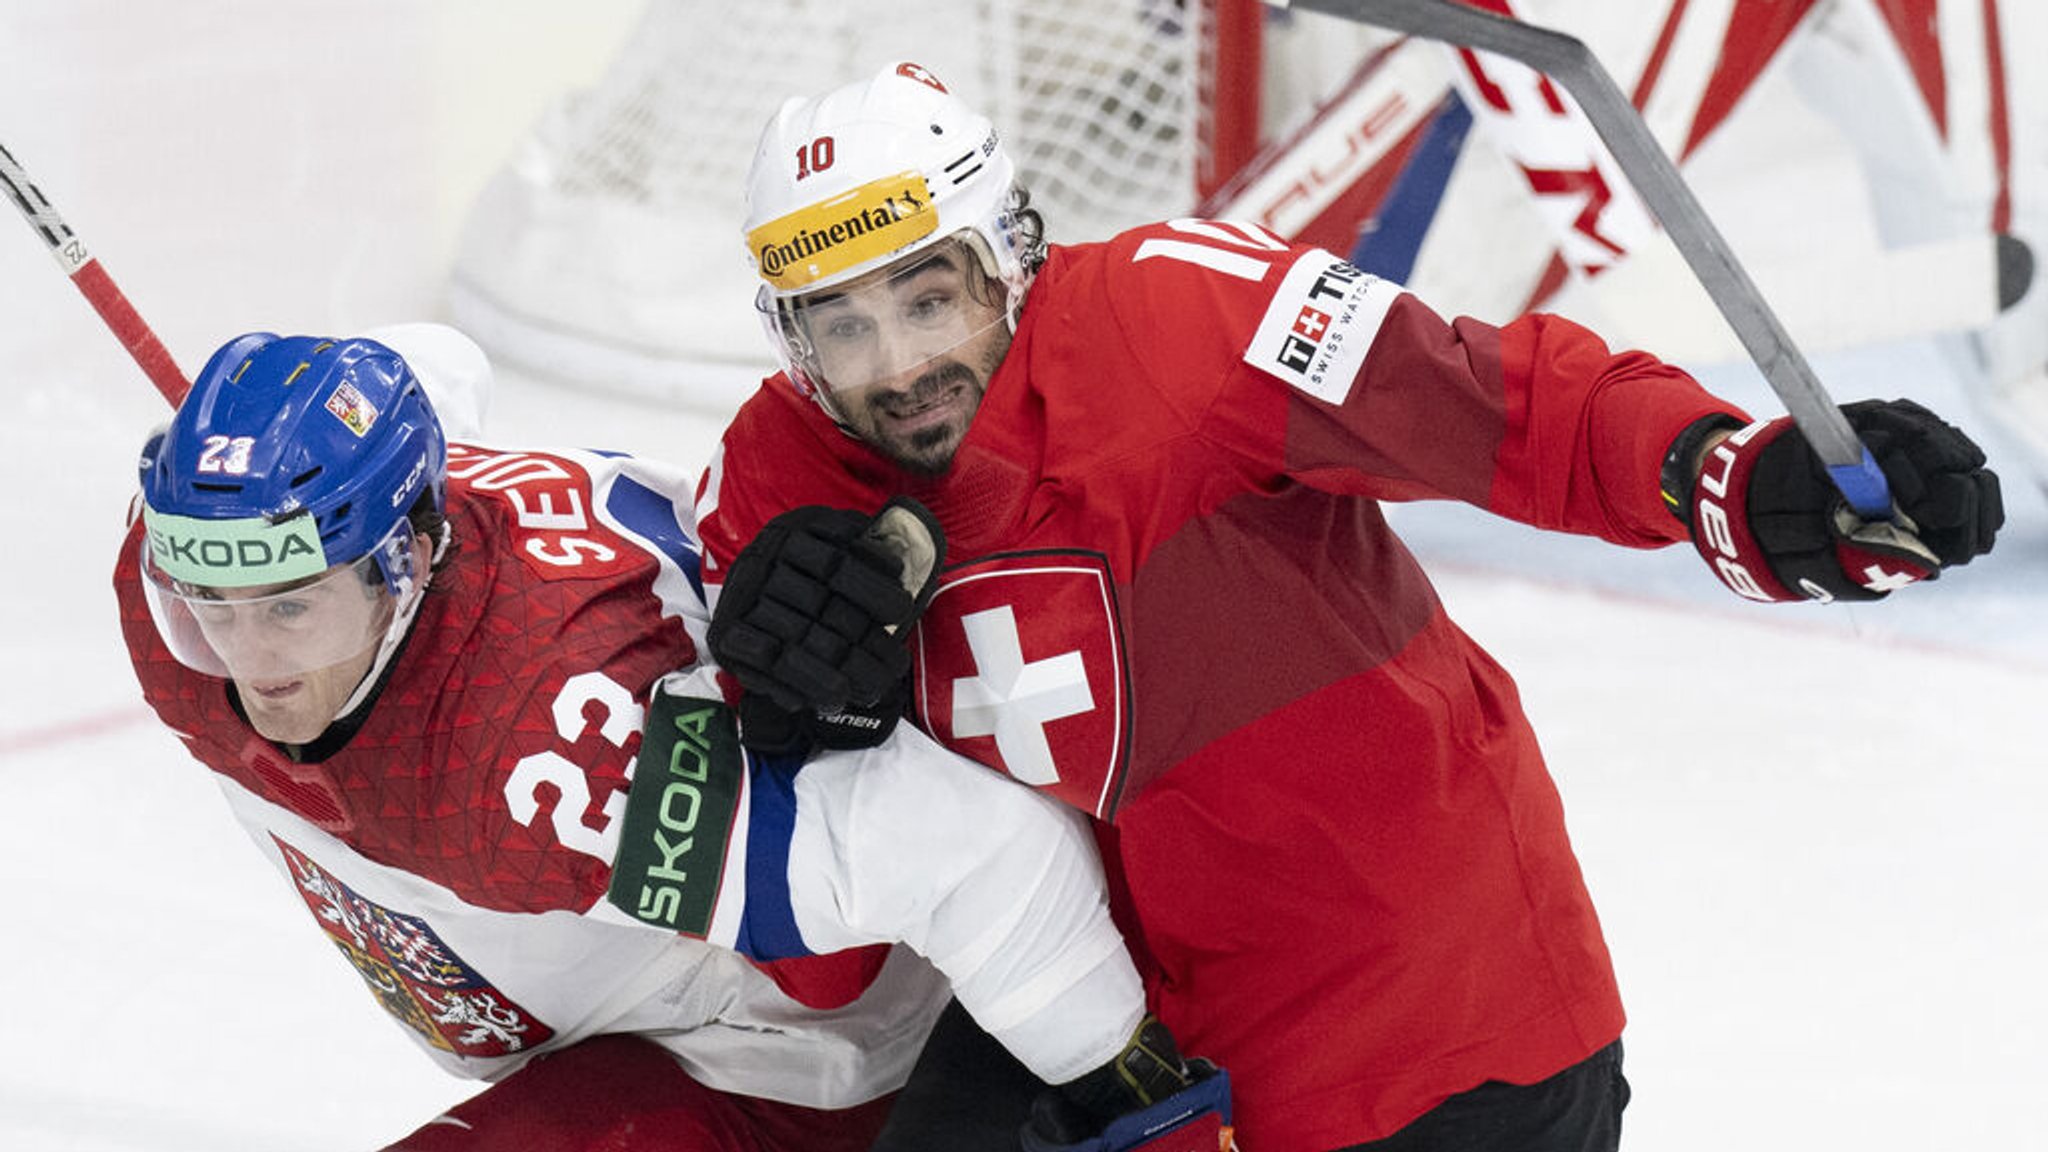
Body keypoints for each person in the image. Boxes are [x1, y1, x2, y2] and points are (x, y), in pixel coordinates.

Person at [692, 62, 2007, 1151]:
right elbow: (820, 960)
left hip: (1426, 1014)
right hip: (1099, 1026)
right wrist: (796, 733)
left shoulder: (1183, 315)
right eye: (840, 327)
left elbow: (1495, 406)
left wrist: (1731, 471)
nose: (899, 368)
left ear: (1012, 253)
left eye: (930, 298)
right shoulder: (771, 482)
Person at [112, 324, 1238, 1152]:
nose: (249, 663)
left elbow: (986, 854)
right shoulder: (211, 552)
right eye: (210, 605)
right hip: (619, 1003)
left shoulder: (554, 764)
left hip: (787, 1066)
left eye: (292, 606)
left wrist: (1136, 1105)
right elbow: (434, 362)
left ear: (408, 558)